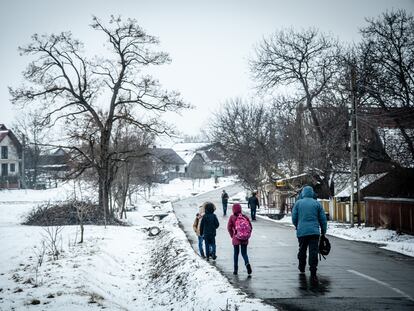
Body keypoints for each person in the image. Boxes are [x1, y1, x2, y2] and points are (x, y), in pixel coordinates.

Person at [292, 185, 327, 285]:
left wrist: (297, 225)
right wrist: (323, 231)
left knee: (302, 249)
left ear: (303, 193)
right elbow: (323, 219)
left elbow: (294, 217)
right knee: (313, 251)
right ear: (312, 193)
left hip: (302, 232)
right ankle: (313, 271)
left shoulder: (298, 203)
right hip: (314, 232)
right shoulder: (317, 204)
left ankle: (302, 266)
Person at [227, 203, 252, 275]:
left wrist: (232, 236)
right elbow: (250, 227)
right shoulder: (245, 217)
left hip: (236, 238)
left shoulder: (232, 217)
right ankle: (247, 264)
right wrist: (247, 235)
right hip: (244, 238)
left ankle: (235, 270)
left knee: (236, 253)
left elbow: (229, 228)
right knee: (244, 253)